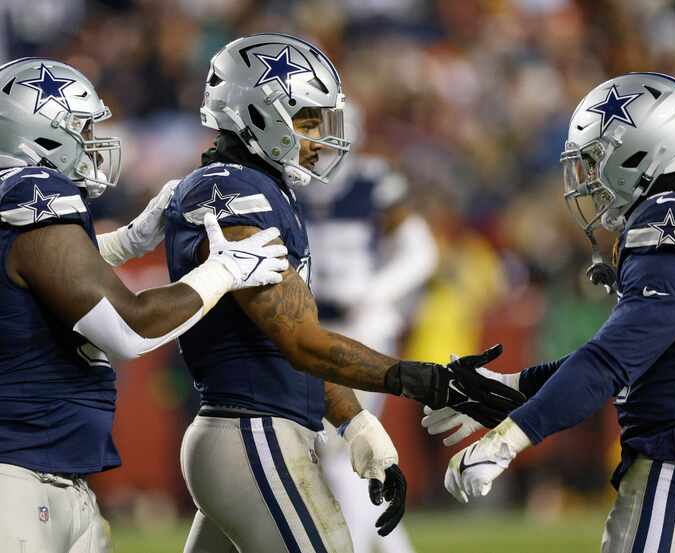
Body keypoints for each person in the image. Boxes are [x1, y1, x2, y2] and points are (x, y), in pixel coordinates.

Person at [163, 34, 523, 553]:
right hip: (253, 432)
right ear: (258, 115)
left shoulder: (261, 188)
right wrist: (423, 381)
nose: (319, 138)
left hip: (257, 428)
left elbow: (290, 344)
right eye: (307, 120)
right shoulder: (239, 194)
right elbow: (300, 342)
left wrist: (355, 421)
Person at [432, 73, 675, 553]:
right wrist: (511, 388)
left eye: (596, 158)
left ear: (642, 150)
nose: (589, 178)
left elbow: (611, 361)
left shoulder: (672, 219)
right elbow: (636, 358)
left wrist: (506, 441)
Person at [0, 58, 289, 553]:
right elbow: (128, 331)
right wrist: (221, 271)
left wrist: (129, 241)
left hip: (50, 475)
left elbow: (40, 274)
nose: (93, 143)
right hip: (18, 477)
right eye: (81, 129)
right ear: (38, 131)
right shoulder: (34, 191)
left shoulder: (16, 204)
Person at [300, 105, 437, 553]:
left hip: (363, 326)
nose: (318, 149)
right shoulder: (286, 186)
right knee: (342, 452)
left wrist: (376, 294)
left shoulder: (373, 180)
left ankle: (349, 547)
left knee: (343, 445)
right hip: (313, 329)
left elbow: (421, 252)